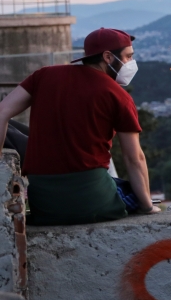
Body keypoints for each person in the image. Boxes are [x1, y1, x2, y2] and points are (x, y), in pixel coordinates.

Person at [0, 28, 161, 225]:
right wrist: (147, 206)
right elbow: (134, 157)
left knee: (16, 128)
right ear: (108, 57)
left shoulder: (43, 76)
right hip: (92, 204)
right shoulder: (118, 95)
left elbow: (2, 113)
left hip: (45, 205)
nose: (131, 63)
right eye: (128, 57)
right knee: (129, 191)